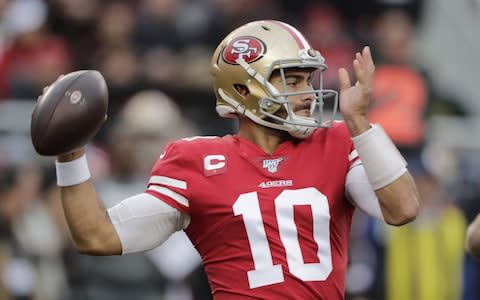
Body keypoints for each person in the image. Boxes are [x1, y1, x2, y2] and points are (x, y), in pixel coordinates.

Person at [45, 20, 420, 299]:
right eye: (293, 82)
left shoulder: (338, 141)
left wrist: (359, 123)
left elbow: (402, 208)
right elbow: (96, 235)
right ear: (244, 89)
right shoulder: (197, 161)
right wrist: (70, 151)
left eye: (309, 80)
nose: (308, 94)